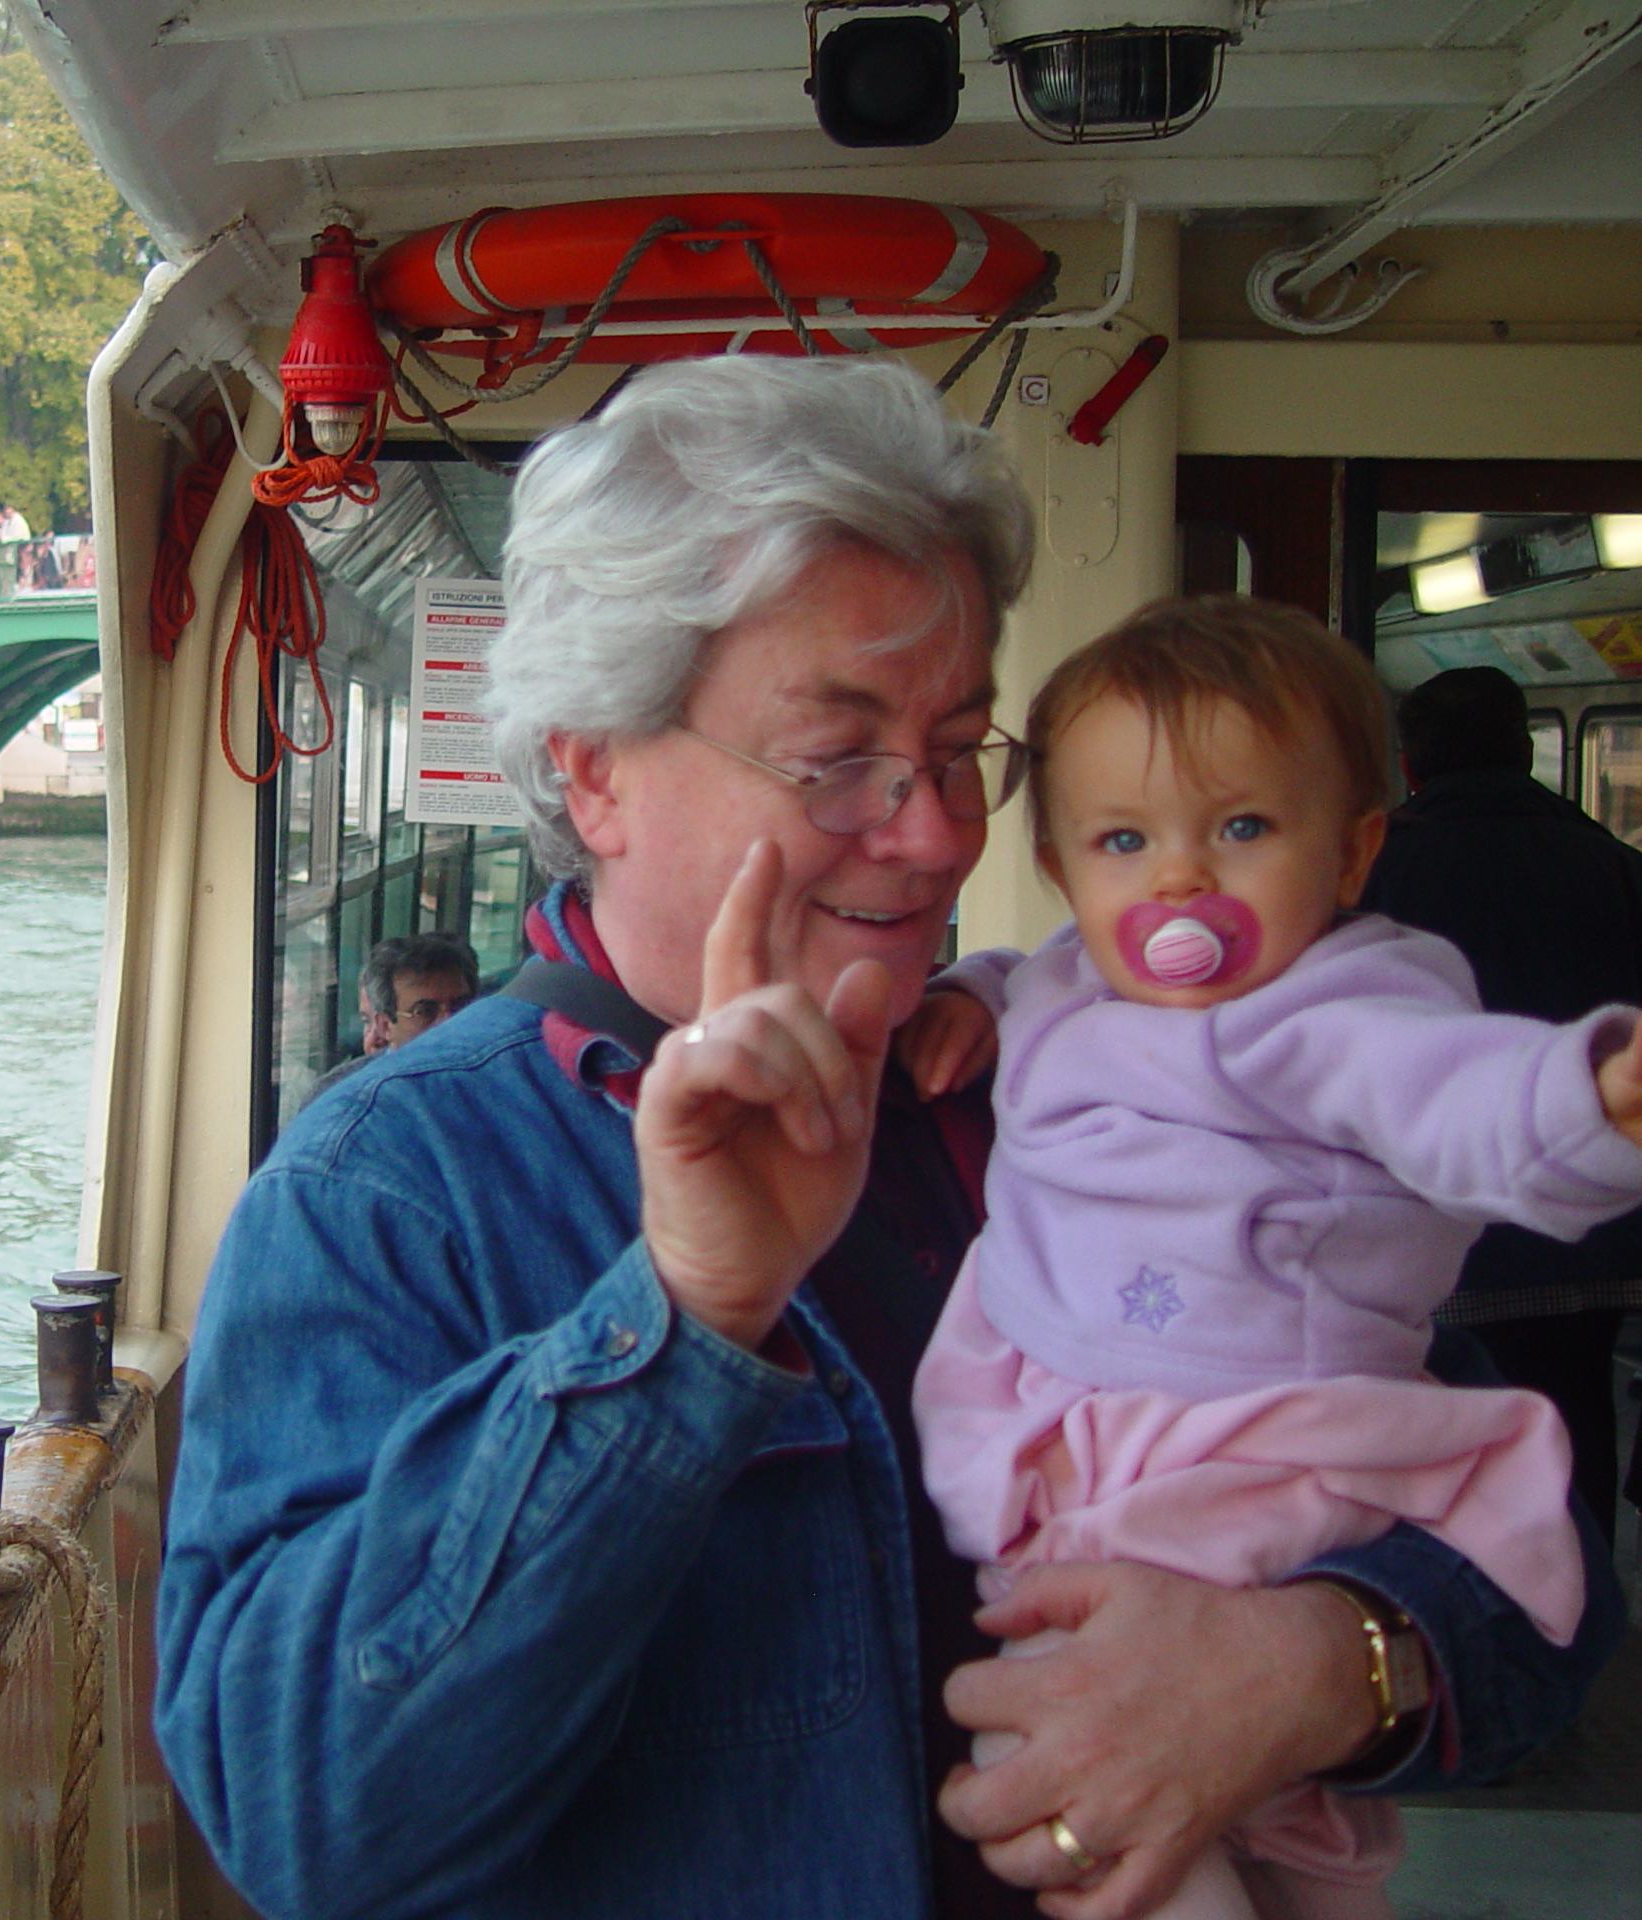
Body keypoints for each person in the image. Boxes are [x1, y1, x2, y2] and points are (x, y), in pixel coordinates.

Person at [152, 358, 1620, 1920]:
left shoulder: (1079, 1079)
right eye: (836, 755)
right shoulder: (391, 1192)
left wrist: (1319, 1668)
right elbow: (300, 1824)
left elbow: (1539, 1576)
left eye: (958, 750)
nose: (931, 834)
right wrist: (684, 1320)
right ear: (593, 768)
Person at [899, 601, 1632, 1919]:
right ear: (1066, 869)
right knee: (1205, 1810)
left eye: (1242, 830)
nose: (1179, 879)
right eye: (1125, 841)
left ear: (1353, 853)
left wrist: (1588, 1100)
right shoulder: (1071, 981)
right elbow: (1028, 974)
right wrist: (970, 999)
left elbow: (1462, 1096)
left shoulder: (1339, 1009)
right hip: (1086, 1423)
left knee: (1103, 1774)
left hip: (1244, 1451)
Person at [1361, 665, 1642, 1526]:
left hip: (1425, 1227)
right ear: (1526, 752)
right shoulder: (1622, 870)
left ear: (1408, 765)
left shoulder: (1365, 878)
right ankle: (1576, 1609)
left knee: (1430, 1439)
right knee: (1574, 1417)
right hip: (1592, 1231)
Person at [305, 929, 481, 1104]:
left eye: (461, 1006)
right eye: (425, 1011)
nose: (448, 1023)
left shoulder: (497, 1080)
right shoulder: (337, 1100)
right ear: (385, 1026)